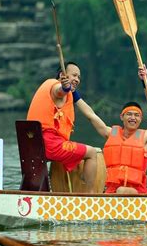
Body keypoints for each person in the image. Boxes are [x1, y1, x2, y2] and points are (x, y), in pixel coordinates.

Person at [27, 62, 98, 193]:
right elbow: (59, 91)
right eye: (74, 75)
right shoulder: (56, 88)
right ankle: (90, 195)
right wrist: (65, 88)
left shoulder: (47, 84)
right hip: (50, 145)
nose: (77, 79)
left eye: (79, 77)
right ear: (62, 75)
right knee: (92, 153)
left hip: (34, 145)